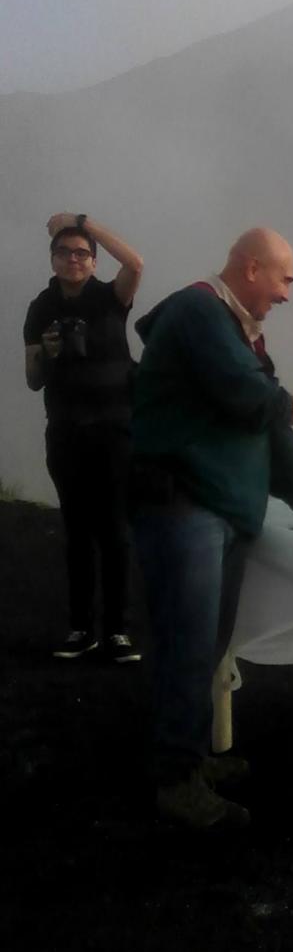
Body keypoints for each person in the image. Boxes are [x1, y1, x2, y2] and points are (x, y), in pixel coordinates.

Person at [131, 228, 293, 829]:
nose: (287, 294)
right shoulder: (199, 312)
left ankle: (187, 758)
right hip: (184, 509)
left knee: (205, 646)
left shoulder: (235, 331)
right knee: (187, 648)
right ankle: (175, 780)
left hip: (216, 512)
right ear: (252, 269)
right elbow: (253, 400)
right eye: (285, 279)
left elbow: (264, 421)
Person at [24, 213, 144, 662]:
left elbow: (135, 263)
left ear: (93, 261)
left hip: (114, 432)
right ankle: (80, 628)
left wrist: (82, 223)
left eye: (81, 253)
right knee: (76, 530)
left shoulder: (111, 298)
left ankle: (117, 631)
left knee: (114, 529)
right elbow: (33, 379)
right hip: (66, 431)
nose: (72, 259)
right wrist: (48, 352)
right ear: (52, 259)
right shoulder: (41, 307)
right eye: (64, 252)